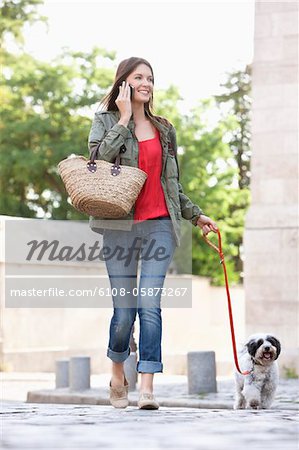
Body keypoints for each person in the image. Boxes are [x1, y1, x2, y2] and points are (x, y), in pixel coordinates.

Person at [88, 57, 218, 410]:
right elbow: (98, 159)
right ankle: (118, 372)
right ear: (124, 83)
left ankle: (147, 387)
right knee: (124, 314)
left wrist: (195, 214)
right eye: (138, 77)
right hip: (119, 227)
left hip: (160, 224)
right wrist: (126, 117)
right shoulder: (105, 120)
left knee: (150, 307)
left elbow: (170, 184)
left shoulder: (164, 129)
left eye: (150, 78)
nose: (146, 83)